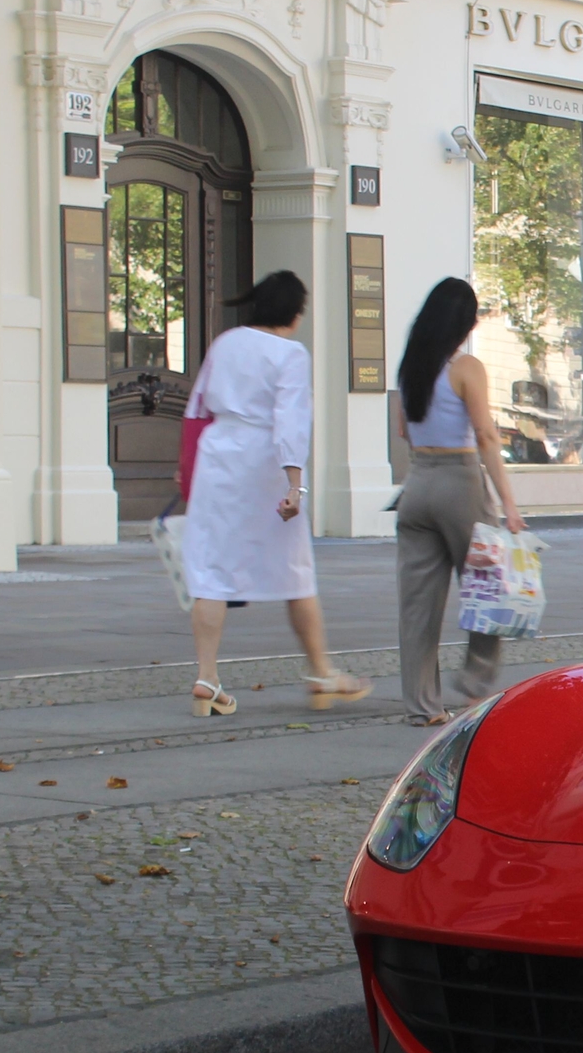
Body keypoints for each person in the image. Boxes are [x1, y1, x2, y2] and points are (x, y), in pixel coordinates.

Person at [181, 271, 369, 716]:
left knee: (211, 570)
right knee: (295, 569)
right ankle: (321, 670)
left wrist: (188, 470)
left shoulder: (226, 342)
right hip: (262, 462)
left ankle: (207, 676)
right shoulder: (290, 353)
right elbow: (290, 419)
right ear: (296, 313)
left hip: (217, 456)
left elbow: (197, 406)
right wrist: (294, 483)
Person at [393, 277, 526, 726]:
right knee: (490, 587)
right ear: (465, 323)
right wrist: (508, 502)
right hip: (459, 481)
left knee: (417, 605)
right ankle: (473, 684)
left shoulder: (411, 367)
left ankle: (422, 706)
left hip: (416, 484)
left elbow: (402, 431)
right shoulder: (466, 368)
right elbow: (486, 436)